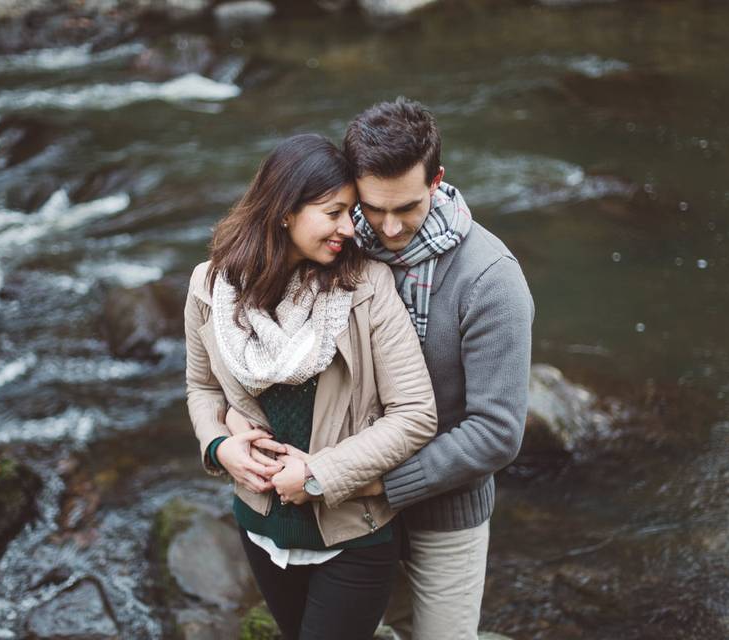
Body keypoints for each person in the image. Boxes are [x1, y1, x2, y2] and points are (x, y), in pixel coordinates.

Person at [184, 133, 438, 640]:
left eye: (350, 211)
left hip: (354, 534)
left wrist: (319, 474)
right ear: (284, 212)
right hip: (259, 527)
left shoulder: (366, 287)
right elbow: (202, 386)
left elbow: (415, 414)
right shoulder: (210, 286)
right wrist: (218, 446)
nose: (350, 227)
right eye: (333, 212)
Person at [343, 97, 535, 640]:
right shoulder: (342, 245)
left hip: (446, 512)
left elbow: (497, 432)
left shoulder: (490, 279)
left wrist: (384, 484)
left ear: (437, 180)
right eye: (373, 207)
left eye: (405, 206)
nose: (388, 226)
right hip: (352, 508)